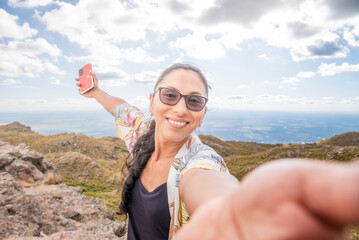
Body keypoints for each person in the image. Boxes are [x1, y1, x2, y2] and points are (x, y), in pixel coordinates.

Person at [76, 63, 359, 240]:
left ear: (202, 113)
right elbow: (121, 108)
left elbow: (210, 185)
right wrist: (96, 91)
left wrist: (234, 211)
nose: (180, 108)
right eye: (170, 95)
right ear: (152, 102)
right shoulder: (142, 133)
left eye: (194, 101)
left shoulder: (198, 162)